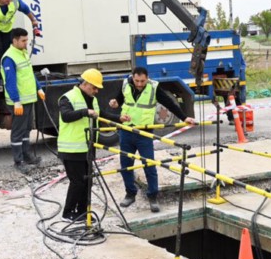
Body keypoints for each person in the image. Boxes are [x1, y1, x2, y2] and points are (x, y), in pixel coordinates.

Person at [108, 66, 195, 213]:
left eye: (143, 81)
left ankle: (153, 196)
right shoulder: (125, 84)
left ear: (147, 78)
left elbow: (170, 103)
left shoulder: (154, 88)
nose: (140, 84)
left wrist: (184, 117)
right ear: (132, 77)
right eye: (137, 81)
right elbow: (119, 100)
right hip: (127, 131)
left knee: (149, 166)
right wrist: (114, 103)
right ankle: (130, 193)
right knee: (125, 165)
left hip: (144, 133)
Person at [57, 68, 119, 222]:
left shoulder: (92, 99)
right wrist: (85, 112)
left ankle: (83, 211)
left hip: (87, 148)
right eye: (94, 87)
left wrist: (119, 119)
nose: (96, 91)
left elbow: (101, 114)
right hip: (71, 149)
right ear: (85, 84)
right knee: (77, 182)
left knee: (88, 181)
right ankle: (68, 212)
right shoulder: (68, 98)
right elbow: (66, 116)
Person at [1, 28, 45, 172]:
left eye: (27, 40)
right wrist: (16, 101)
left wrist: (38, 88)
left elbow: (29, 74)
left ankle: (27, 156)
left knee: (26, 129)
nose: (26, 43)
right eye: (23, 40)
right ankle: (18, 161)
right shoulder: (9, 58)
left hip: (28, 99)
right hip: (19, 102)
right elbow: (10, 82)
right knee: (18, 131)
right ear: (15, 41)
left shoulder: (23, 53)